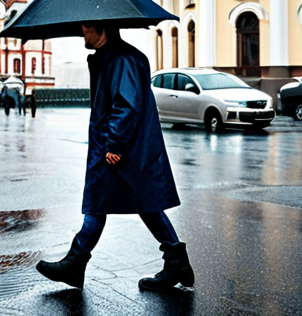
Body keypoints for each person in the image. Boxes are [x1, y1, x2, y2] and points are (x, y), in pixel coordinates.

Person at [35, 23, 193, 293]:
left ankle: (76, 262)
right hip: (116, 144)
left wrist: (115, 143)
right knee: (139, 202)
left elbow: (126, 103)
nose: (82, 33)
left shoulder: (122, 59)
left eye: (86, 28)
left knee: (107, 202)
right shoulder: (113, 57)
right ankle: (175, 261)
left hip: (118, 147)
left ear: (101, 30)